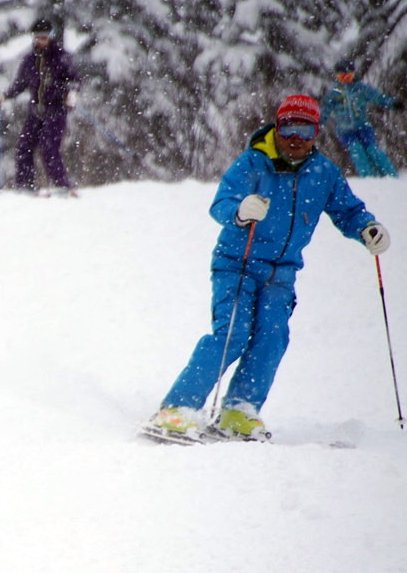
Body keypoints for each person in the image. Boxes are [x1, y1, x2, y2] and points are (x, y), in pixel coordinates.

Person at [147, 94, 389, 441]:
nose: (296, 137)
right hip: (237, 265)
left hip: (282, 274)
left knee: (272, 338)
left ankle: (239, 410)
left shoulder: (323, 173)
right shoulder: (252, 163)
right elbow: (222, 203)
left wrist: (367, 228)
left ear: (316, 132)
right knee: (232, 332)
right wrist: (240, 211)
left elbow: (347, 211)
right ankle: (178, 408)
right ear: (278, 127)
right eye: (289, 127)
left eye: (305, 130)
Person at [0, 18, 79, 195]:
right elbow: (20, 84)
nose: (40, 41)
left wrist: (71, 93)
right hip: (36, 111)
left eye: (44, 37)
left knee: (49, 147)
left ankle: (61, 186)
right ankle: (25, 187)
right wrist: (4, 96)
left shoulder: (62, 57)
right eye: (37, 37)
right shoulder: (30, 60)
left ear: (51, 37)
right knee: (24, 147)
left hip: (55, 110)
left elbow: (74, 80)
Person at [320, 58, 401, 178]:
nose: (346, 79)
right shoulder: (334, 93)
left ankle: (390, 175)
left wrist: (392, 103)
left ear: (353, 74)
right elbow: (325, 110)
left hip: (362, 126)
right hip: (345, 130)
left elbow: (378, 98)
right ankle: (368, 176)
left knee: (372, 149)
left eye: (349, 76)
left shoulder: (361, 89)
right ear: (337, 76)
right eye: (342, 76)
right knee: (356, 150)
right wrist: (316, 122)